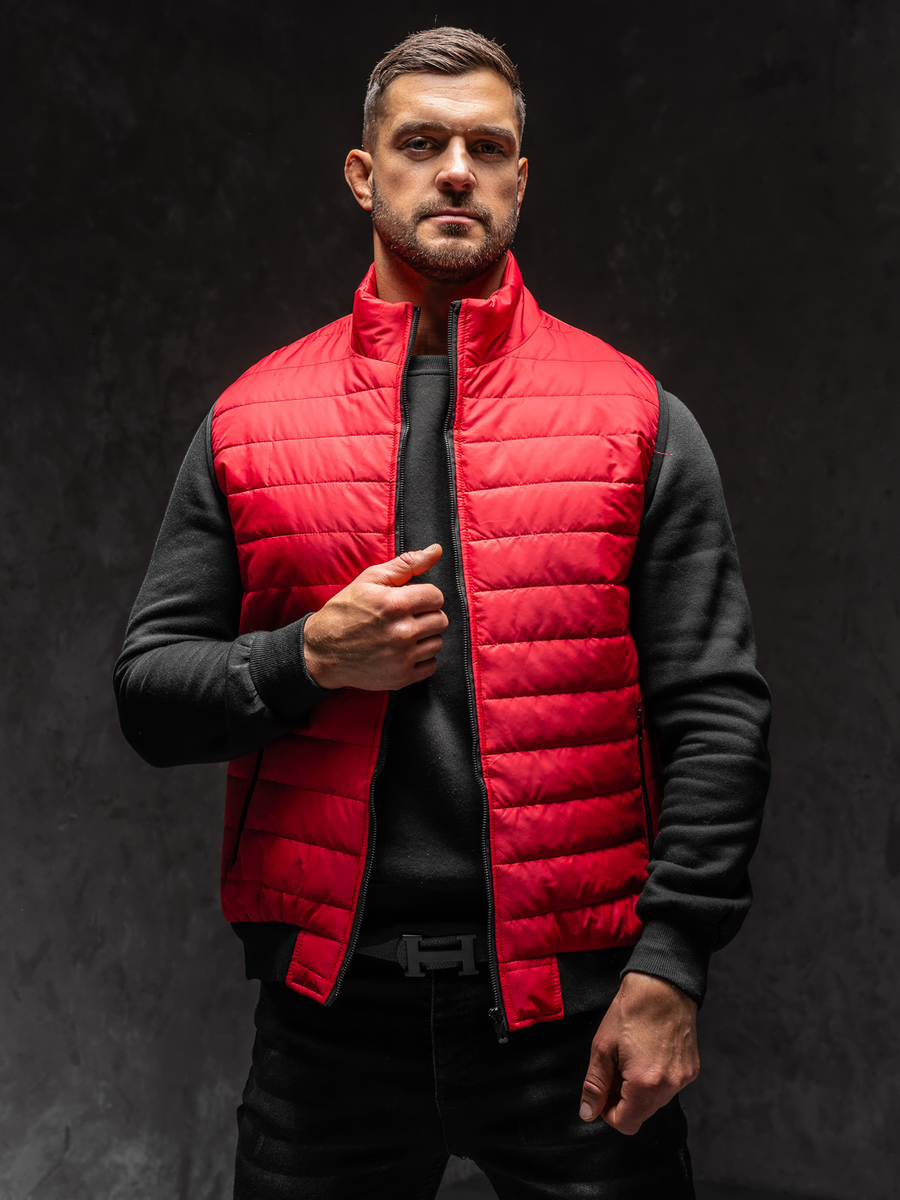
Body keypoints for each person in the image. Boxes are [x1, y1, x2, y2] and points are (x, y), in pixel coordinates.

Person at [114, 25, 771, 1200]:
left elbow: (716, 714)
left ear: (521, 177)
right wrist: (306, 659)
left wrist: (674, 963)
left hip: (574, 1012)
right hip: (329, 1020)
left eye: (488, 147)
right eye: (422, 144)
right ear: (363, 175)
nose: (457, 170)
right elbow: (150, 695)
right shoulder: (251, 420)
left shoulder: (635, 417)